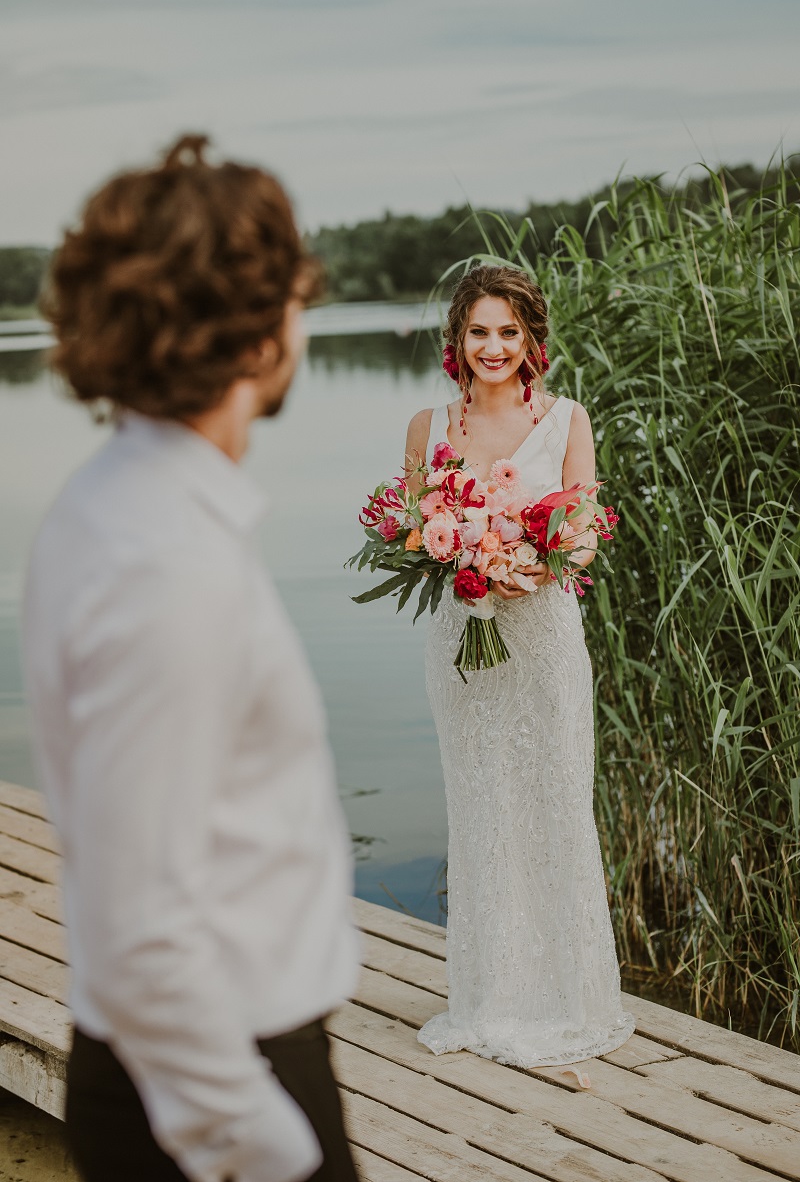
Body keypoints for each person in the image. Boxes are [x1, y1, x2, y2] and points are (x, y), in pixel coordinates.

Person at [22, 134, 361, 1182]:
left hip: (196, 1060)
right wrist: (265, 1146)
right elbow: (139, 926)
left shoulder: (117, 503)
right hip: (217, 1083)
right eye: (295, 297)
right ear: (253, 332)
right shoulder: (165, 562)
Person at [405, 264, 635, 1069]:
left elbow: (583, 529)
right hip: (462, 642)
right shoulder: (428, 425)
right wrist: (462, 553)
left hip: (540, 638)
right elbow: (411, 533)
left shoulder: (566, 417)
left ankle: (568, 995)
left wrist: (533, 562)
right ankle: (489, 994)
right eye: (479, 331)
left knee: (555, 795)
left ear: (532, 338)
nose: (494, 346)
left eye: (509, 331)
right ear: (456, 340)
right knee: (482, 805)